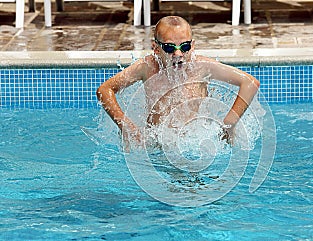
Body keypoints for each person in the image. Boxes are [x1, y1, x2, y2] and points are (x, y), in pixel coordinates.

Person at [96, 16, 260, 146]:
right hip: (156, 145)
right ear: (156, 48)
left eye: (185, 47)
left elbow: (250, 84)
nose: (178, 54)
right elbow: (104, 90)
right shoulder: (146, 67)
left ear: (193, 46)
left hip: (194, 144)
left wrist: (229, 124)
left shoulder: (202, 67)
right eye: (169, 47)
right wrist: (127, 128)